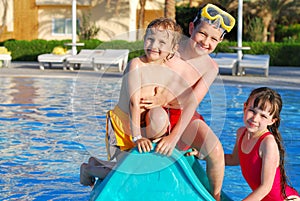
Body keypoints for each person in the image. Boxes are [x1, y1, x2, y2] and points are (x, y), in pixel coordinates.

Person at [81, 4, 236, 200]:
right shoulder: (169, 46)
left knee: (215, 151)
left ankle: (215, 197)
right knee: (155, 124)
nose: (206, 41)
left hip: (183, 116)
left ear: (220, 40)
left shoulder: (210, 68)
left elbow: (192, 103)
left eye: (214, 38)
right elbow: (140, 76)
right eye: (202, 34)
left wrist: (174, 137)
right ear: (191, 29)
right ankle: (101, 166)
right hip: (151, 115)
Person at [187, 87, 300, 200]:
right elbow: (233, 159)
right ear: (244, 107)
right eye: (252, 111)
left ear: (272, 121)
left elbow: (265, 187)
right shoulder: (241, 133)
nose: (255, 118)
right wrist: (205, 155)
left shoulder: (267, 143)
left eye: (263, 116)